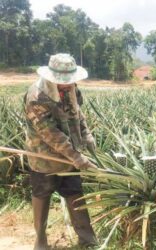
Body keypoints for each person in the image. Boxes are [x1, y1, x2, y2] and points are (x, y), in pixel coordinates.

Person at [24, 53, 98, 249]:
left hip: (71, 157)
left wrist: (86, 134)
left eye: (70, 81)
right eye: (62, 82)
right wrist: (76, 156)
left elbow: (78, 115)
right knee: (42, 194)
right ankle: (40, 239)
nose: (67, 85)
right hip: (44, 158)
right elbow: (51, 134)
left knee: (75, 192)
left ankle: (87, 239)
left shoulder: (72, 89)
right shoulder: (36, 97)